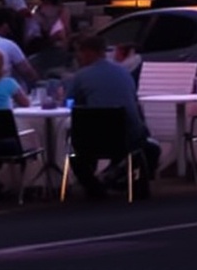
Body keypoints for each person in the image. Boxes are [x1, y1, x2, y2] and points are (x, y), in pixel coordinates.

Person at [63, 34, 158, 195]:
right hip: (130, 137)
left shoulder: (81, 76)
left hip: (95, 139)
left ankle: (92, 185)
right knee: (147, 147)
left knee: (74, 145)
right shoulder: (124, 72)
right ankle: (114, 177)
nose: (77, 57)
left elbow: (69, 104)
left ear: (88, 52)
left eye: (79, 52)